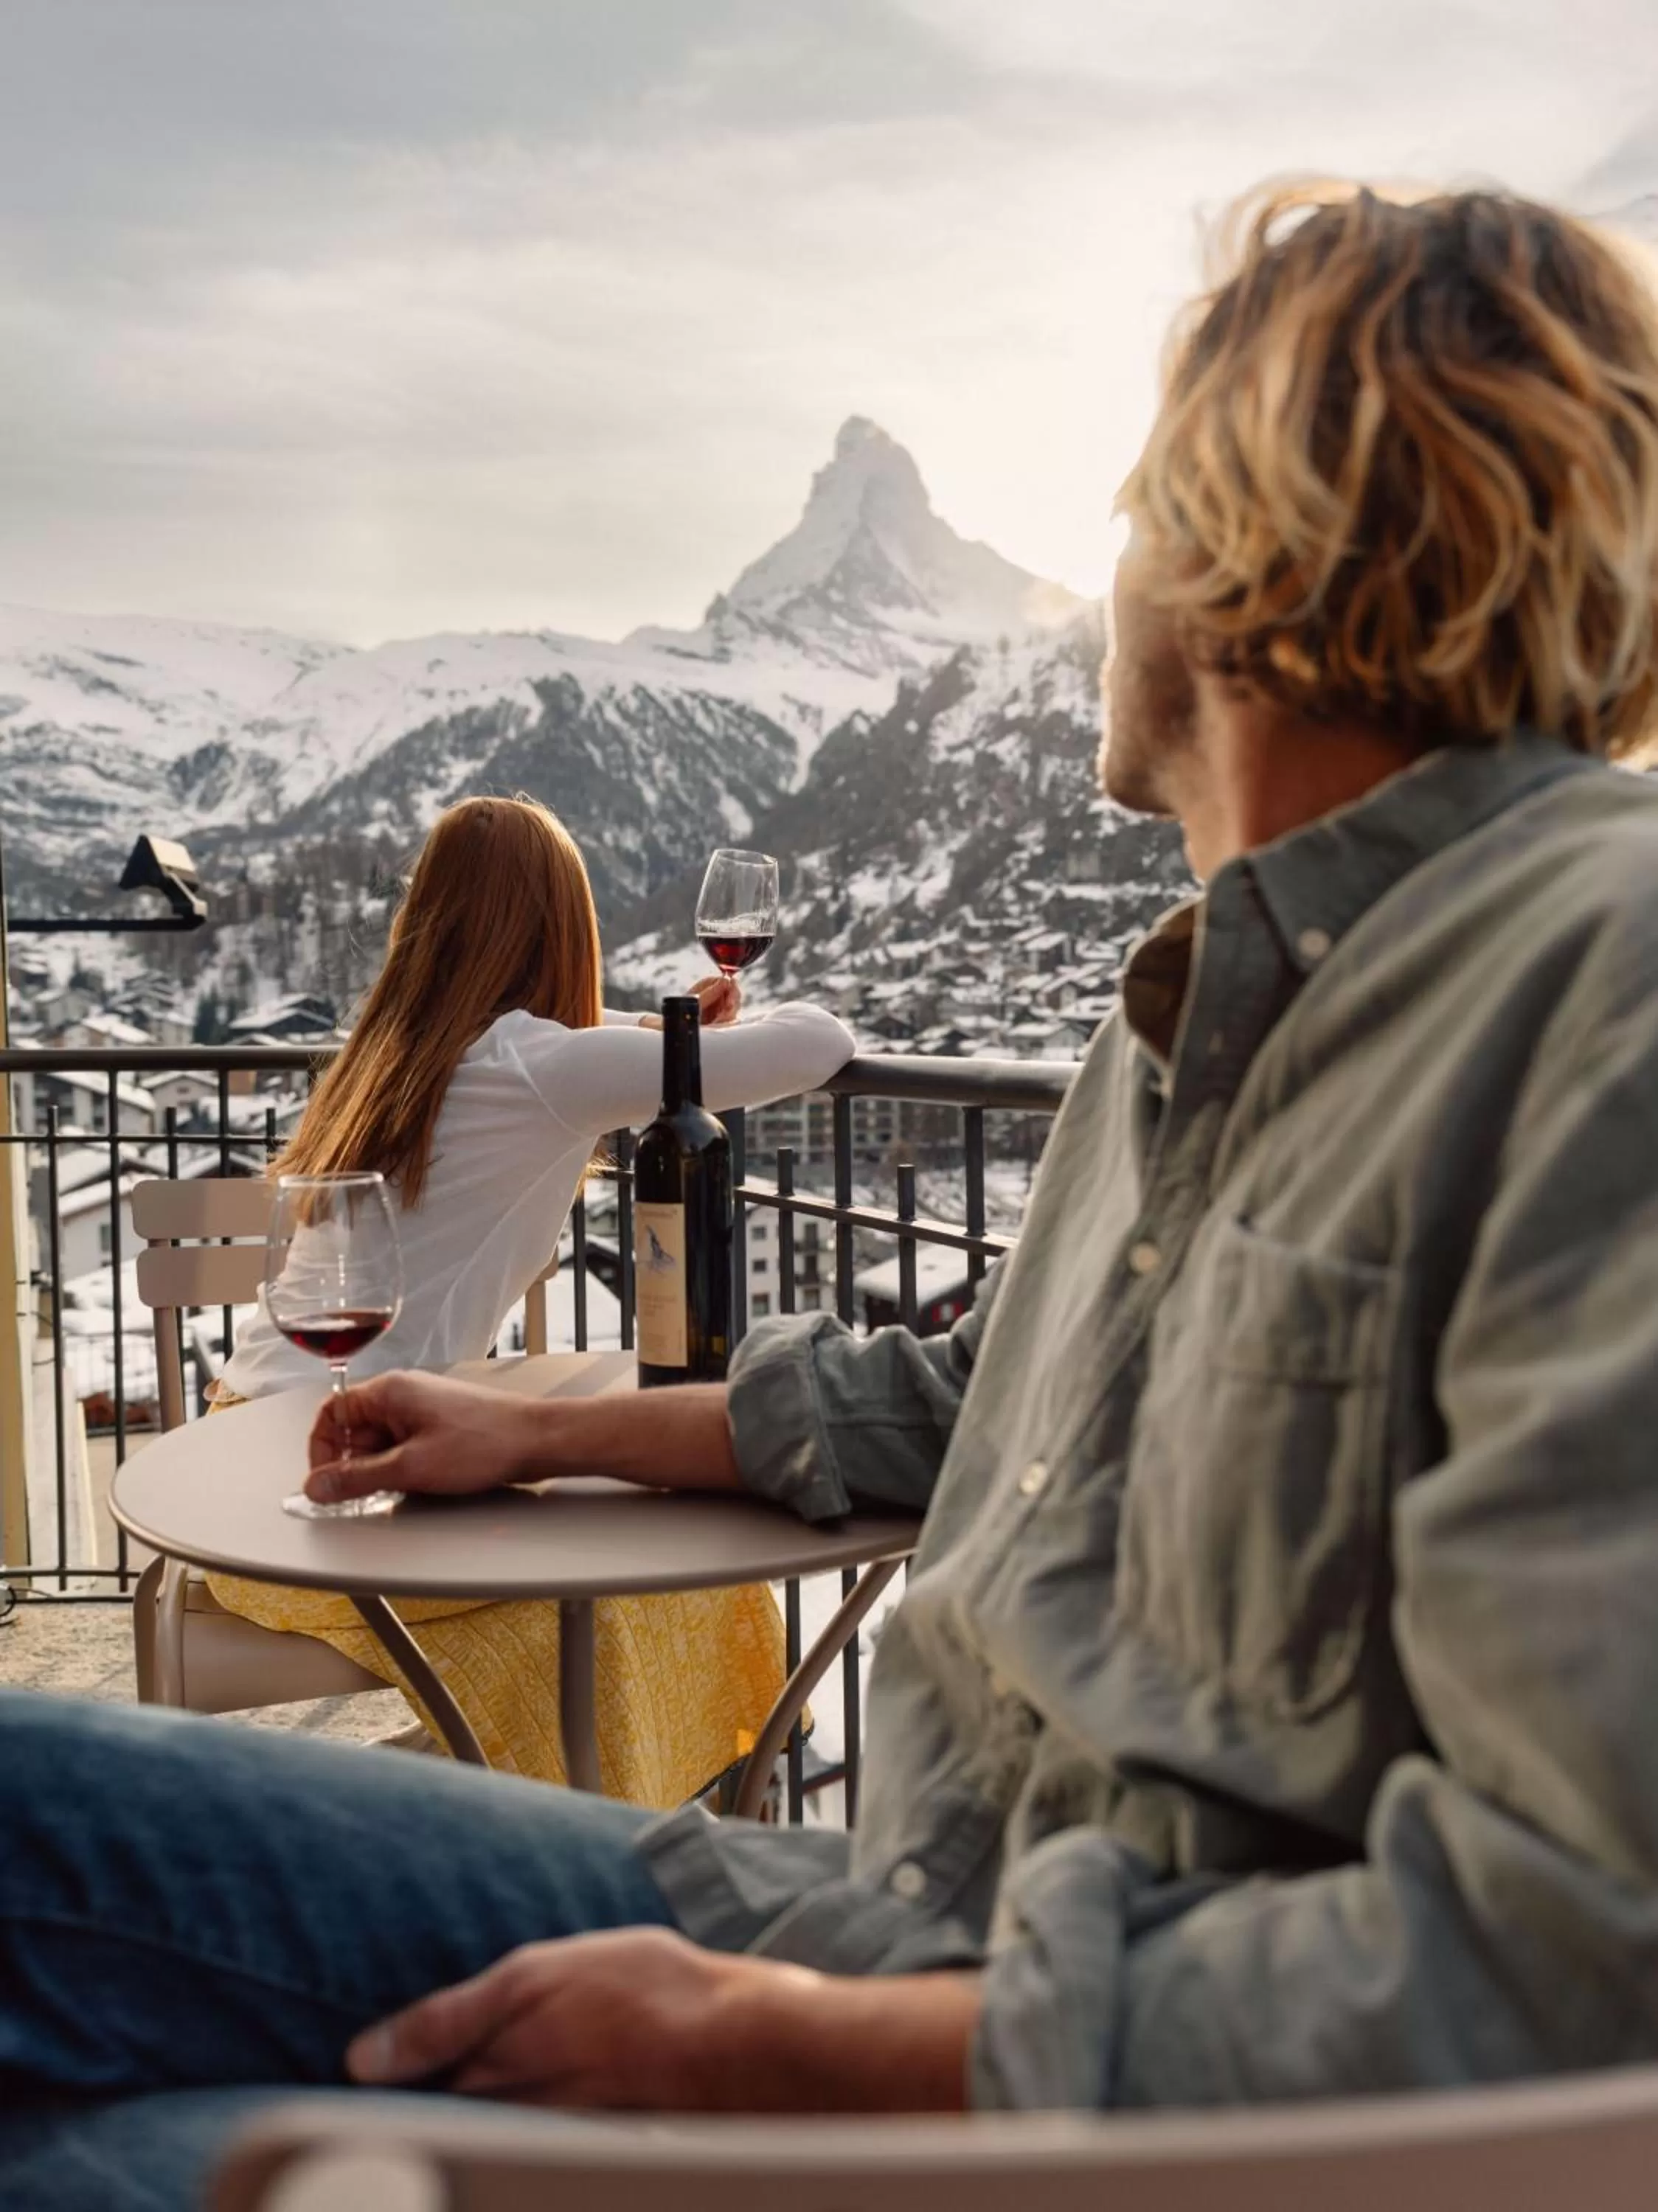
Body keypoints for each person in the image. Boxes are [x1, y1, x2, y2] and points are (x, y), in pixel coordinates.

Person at [7, 178, 1658, 2208]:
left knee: (118, 2153)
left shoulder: (1604, 988)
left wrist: (797, 2056)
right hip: (867, 1908)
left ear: (1250, 532)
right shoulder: (1209, 1015)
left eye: (1137, 503)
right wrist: (541, 1430)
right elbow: (974, 1415)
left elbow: (1594, 1959)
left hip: (1026, 2070)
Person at [206, 794, 855, 1801]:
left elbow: (560, 1070)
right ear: (563, 924)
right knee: (654, 1580)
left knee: (628, 1586)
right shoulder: (545, 1065)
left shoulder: (399, 1055)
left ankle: (596, 1803)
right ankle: (649, 1818)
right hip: (350, 1469)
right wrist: (705, 1031)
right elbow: (816, 1045)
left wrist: (661, 1032)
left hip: (249, 1457)